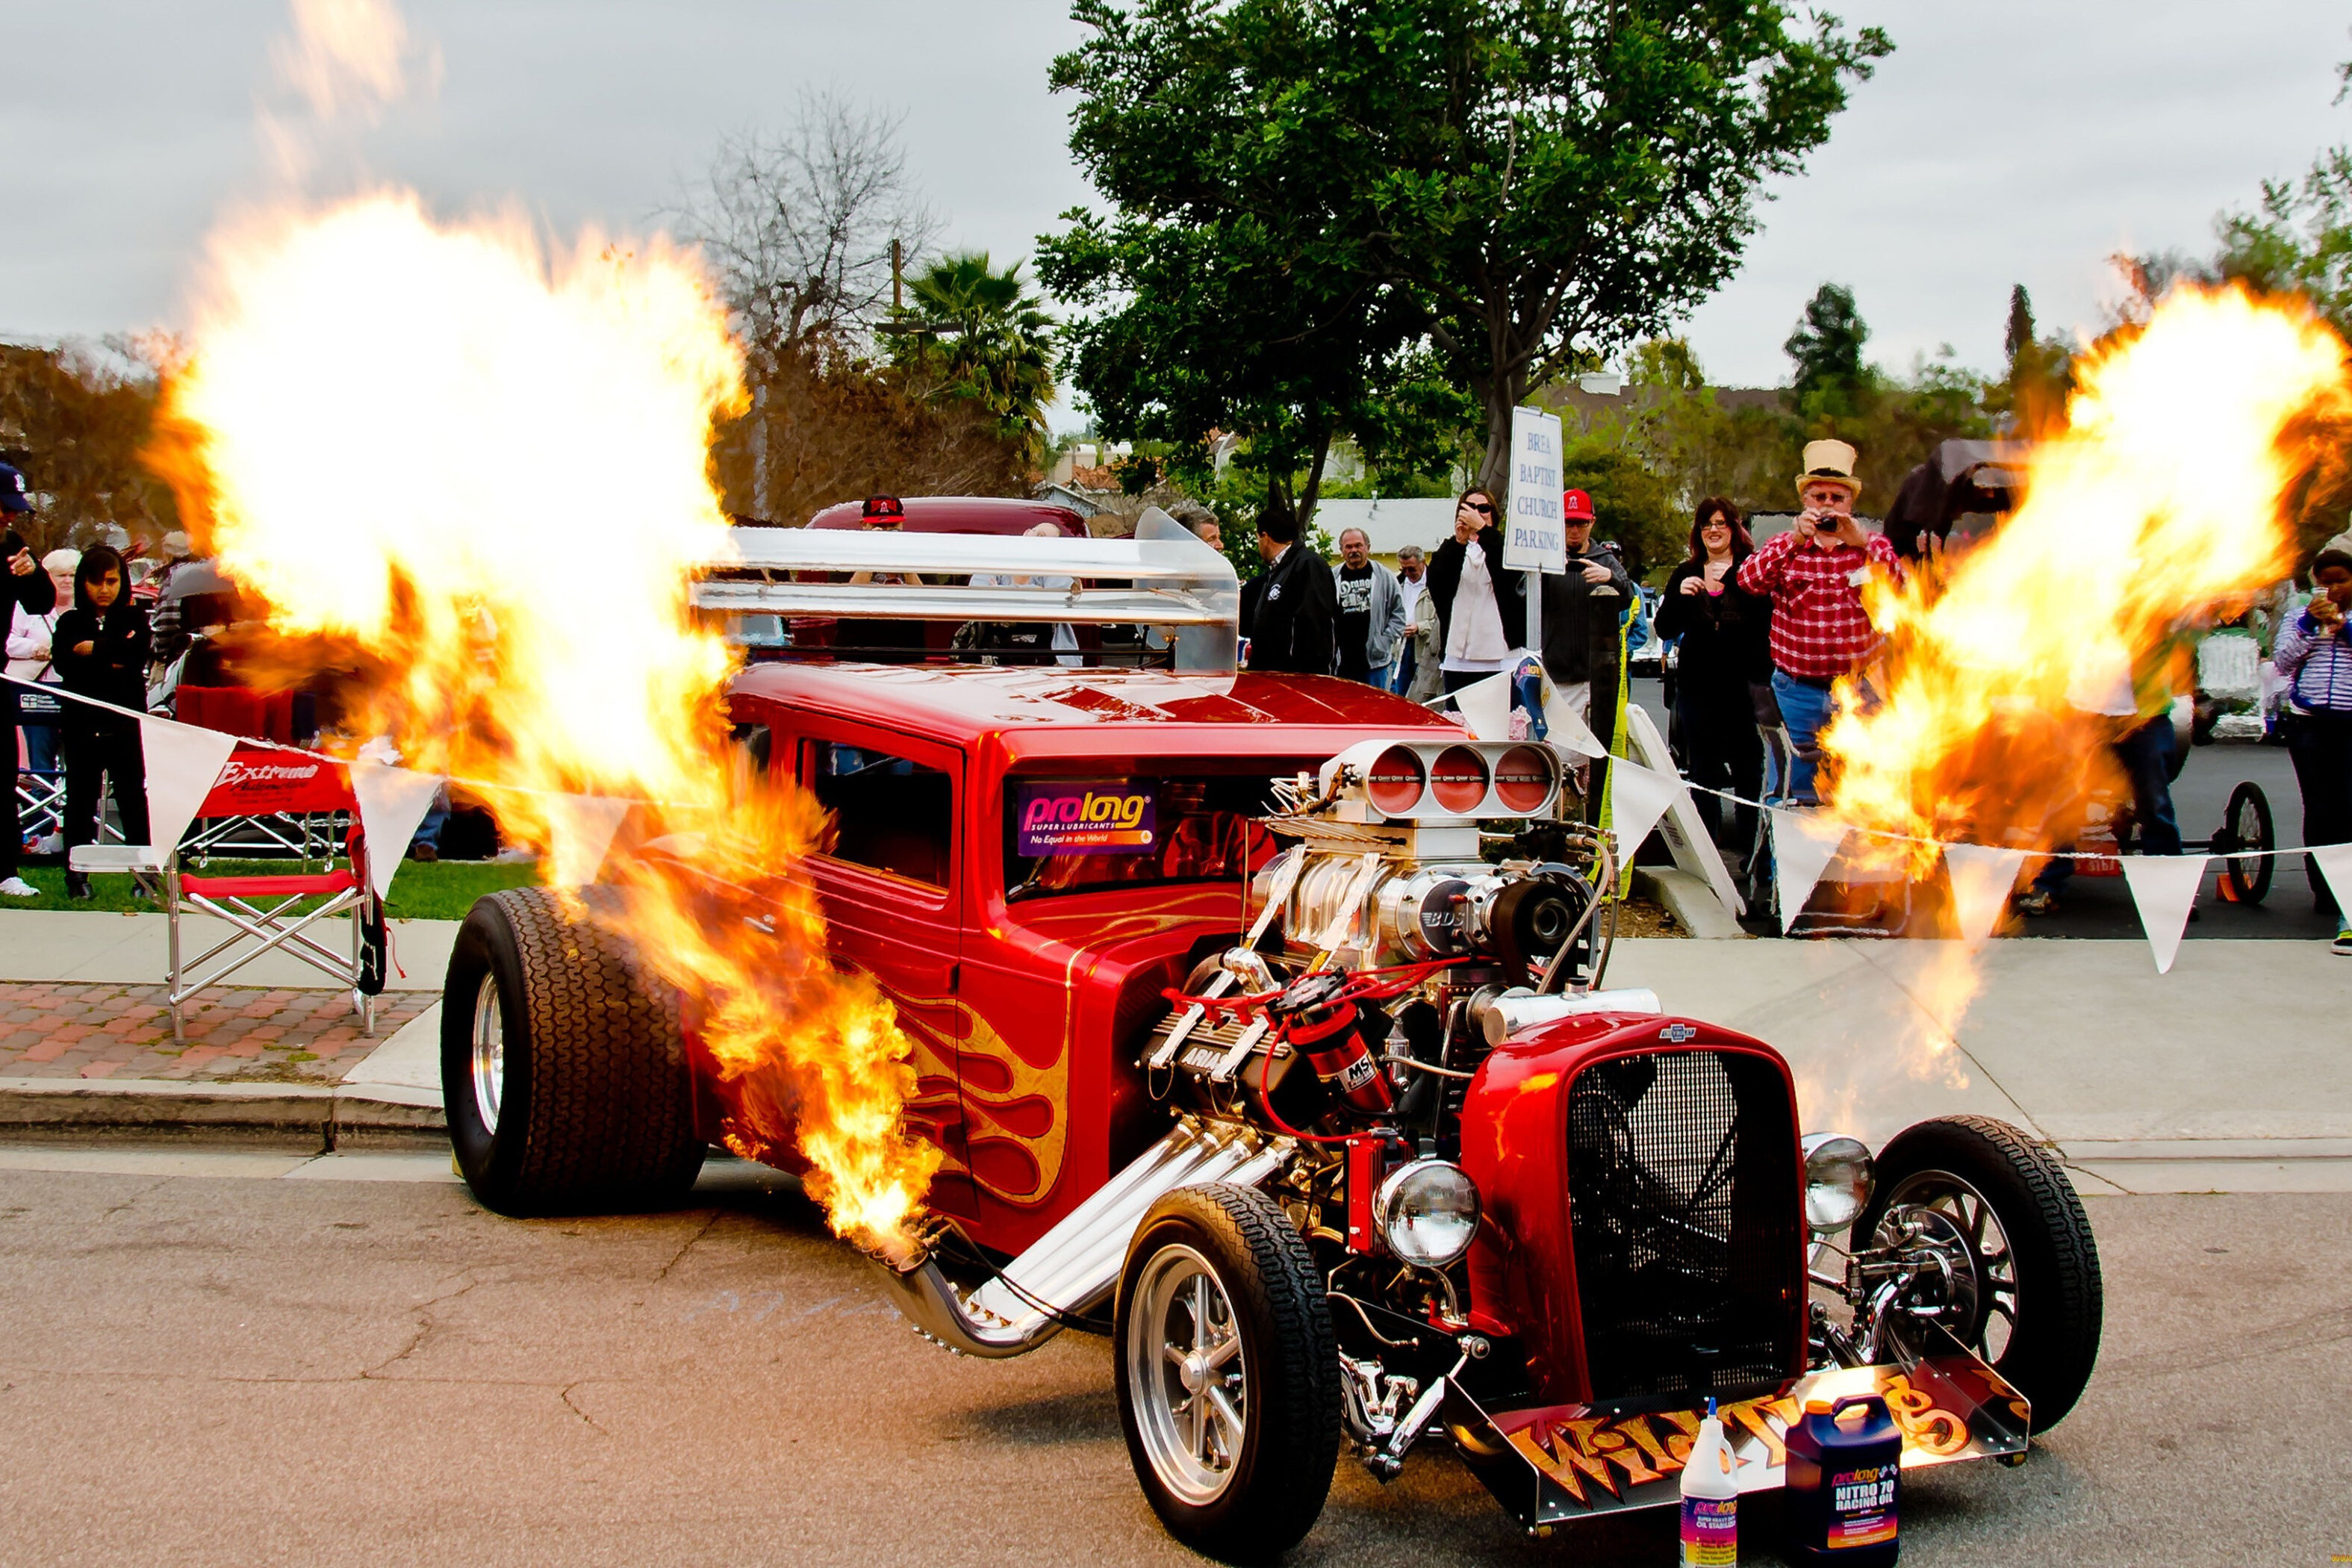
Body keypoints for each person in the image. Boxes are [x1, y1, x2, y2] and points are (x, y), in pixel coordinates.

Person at [1735, 440, 1900, 804]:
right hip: (1798, 690)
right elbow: (1748, 581)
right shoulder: (1785, 546)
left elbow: (1904, 591)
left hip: (1859, 688)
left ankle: (1854, 860)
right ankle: (1784, 861)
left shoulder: (1873, 548)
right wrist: (1796, 538)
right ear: (1805, 502)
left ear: (1850, 504)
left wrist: (1864, 544)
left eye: (1836, 499)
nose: (1828, 506)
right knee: (1794, 791)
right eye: (1819, 497)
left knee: (1863, 790)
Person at [1655, 498, 1770, 854]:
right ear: (1699, 532)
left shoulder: (1751, 570)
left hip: (1742, 689)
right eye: (1707, 524)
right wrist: (1679, 597)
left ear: (1735, 529)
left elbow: (1766, 624)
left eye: (1721, 523)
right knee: (1704, 772)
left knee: (1749, 769)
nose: (1714, 530)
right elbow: (1663, 628)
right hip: (1697, 688)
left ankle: (1753, 851)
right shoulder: (1685, 572)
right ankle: (1709, 853)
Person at [52, 545, 152, 899]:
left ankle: (145, 874)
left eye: (111, 581)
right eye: (96, 582)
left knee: (132, 798)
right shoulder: (69, 622)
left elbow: (135, 656)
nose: (104, 590)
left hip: (124, 721)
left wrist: (93, 650)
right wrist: (110, 654)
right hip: (82, 723)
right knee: (80, 798)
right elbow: (65, 663)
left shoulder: (135, 619)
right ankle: (76, 876)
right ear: (84, 584)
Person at [2269, 546, 2352, 953]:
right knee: (2320, 808)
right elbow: (2281, 663)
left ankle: (2349, 898)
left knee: (2350, 807)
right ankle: (2324, 889)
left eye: (2341, 581)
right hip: (2309, 724)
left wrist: (2344, 630)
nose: (2333, 589)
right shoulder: (2299, 616)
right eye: (2325, 583)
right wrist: (2307, 625)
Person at [1, 465, 59, 899]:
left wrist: (33, 574)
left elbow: (41, 603)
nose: (9, 518)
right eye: (3, 509)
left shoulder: (11, 547)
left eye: (13, 510)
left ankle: (6, 871)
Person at [1537, 489, 1637, 732]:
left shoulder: (1605, 559)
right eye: (1569, 523)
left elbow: (1629, 599)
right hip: (1557, 673)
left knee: (1600, 749)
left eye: (1580, 524)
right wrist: (1544, 573)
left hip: (1598, 674)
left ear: (1591, 523)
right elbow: (1521, 599)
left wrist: (1611, 579)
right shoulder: (1543, 559)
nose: (1574, 531)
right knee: (1564, 752)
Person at [1427, 486, 1524, 694]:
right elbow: (1438, 587)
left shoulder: (1506, 549)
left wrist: (1483, 530)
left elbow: (1509, 576)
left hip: (1501, 655)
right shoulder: (1451, 549)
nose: (1476, 513)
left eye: (1483, 508)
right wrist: (1460, 541)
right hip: (1459, 657)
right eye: (1470, 508)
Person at [969, 521, 1082, 668]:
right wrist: (1035, 590)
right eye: (1040, 535)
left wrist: (1001, 591)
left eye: (1051, 543)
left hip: (1049, 659)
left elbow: (1056, 598)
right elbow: (976, 591)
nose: (1043, 542)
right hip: (991, 655)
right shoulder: (996, 561)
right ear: (1027, 533)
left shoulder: (1055, 568)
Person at [1243, 500, 1337, 676]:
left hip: (1295, 675)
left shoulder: (1308, 565)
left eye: (1258, 539)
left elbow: (1314, 622)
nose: (1258, 546)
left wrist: (1301, 671)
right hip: (1270, 674)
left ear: (1265, 536)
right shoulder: (1278, 570)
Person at [839, 494, 928, 662]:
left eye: (892, 526)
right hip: (858, 659)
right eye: (879, 526)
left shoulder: (918, 557)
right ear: (863, 525)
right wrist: (872, 551)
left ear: (902, 524)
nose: (886, 532)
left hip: (908, 658)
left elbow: (925, 601)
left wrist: (903, 557)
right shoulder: (846, 557)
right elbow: (848, 600)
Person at [1332, 528, 1407, 687]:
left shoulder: (1384, 577)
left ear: (1368, 547)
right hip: (1341, 663)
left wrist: (1384, 642)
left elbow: (1398, 614)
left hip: (1375, 664)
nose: (1354, 550)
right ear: (1341, 551)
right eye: (1349, 547)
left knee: (1374, 710)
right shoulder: (1333, 578)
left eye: (1358, 545)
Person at [1390, 545, 1428, 694]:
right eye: (1403, 569)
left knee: (1423, 691)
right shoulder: (1397, 584)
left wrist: (1420, 627)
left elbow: (1441, 620)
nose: (1407, 573)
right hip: (1402, 646)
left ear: (1423, 563)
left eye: (1411, 569)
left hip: (1425, 647)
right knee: (1400, 690)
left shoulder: (1436, 584)